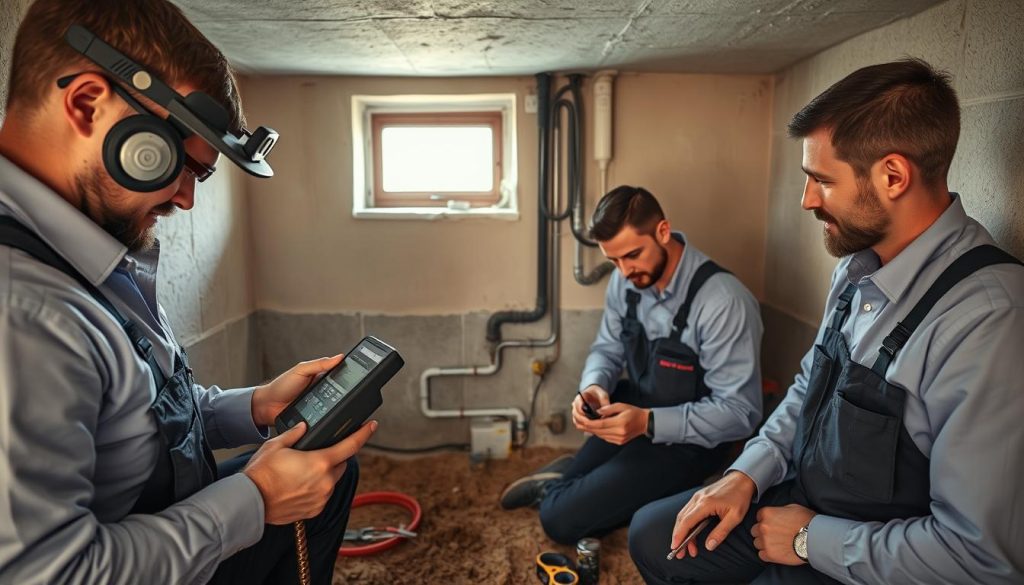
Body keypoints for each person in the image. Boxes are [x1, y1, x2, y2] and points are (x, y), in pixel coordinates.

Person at [0, 1, 376, 583]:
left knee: (324, 472)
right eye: (181, 167)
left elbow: (141, 417)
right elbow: (49, 573)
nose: (185, 200)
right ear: (87, 104)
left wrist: (254, 407)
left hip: (169, 529)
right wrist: (255, 501)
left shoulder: (92, 252)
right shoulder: (25, 312)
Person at [628, 58, 1024, 584]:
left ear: (892, 176)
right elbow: (809, 386)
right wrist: (747, 472)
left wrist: (808, 539)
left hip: (873, 548)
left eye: (820, 180)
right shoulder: (855, 267)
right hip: (804, 495)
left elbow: (979, 556)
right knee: (653, 536)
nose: (807, 199)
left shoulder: (989, 318)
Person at [500, 185, 764, 545]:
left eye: (633, 255)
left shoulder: (723, 303)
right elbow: (607, 348)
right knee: (580, 496)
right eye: (614, 261)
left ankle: (562, 488)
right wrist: (593, 386)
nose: (624, 272)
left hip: (689, 443)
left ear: (663, 232)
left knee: (558, 520)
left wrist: (648, 422)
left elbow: (739, 414)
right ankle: (570, 480)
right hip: (633, 409)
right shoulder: (624, 282)